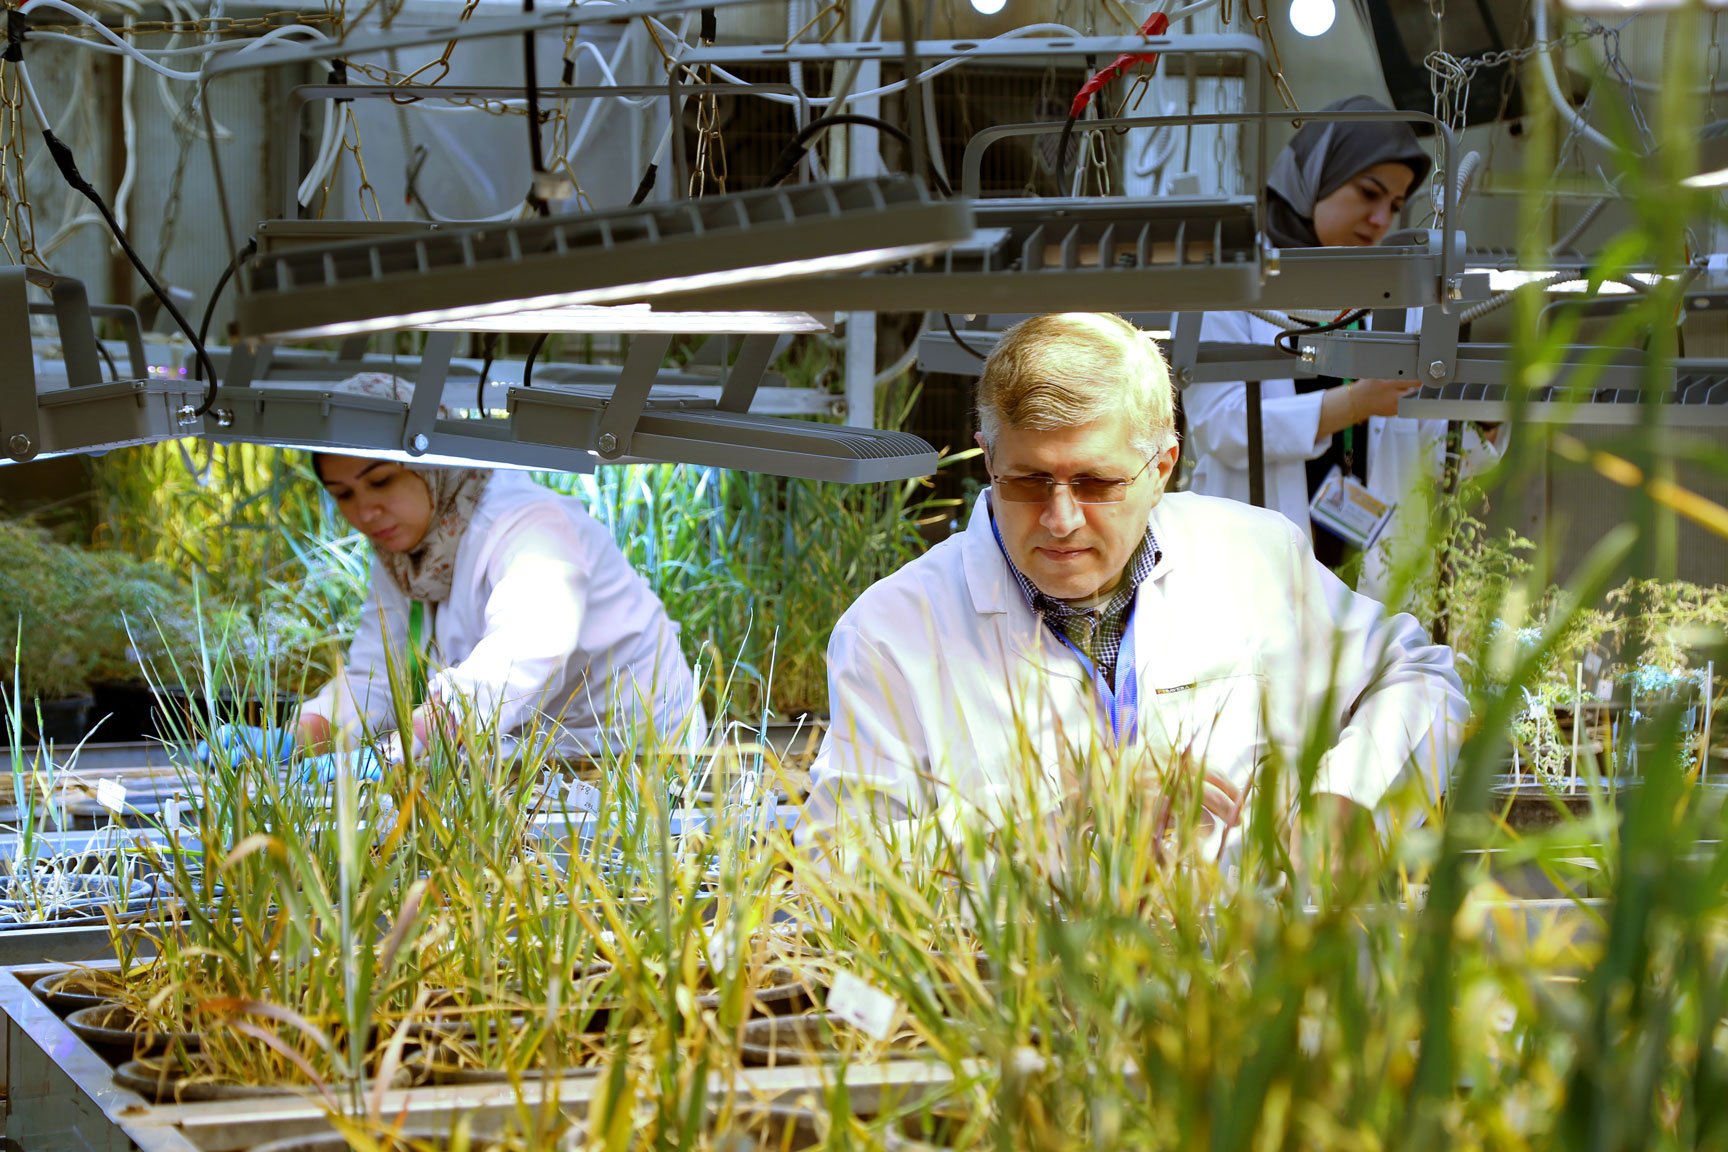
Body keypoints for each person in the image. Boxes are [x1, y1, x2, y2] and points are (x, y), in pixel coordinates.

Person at [799, 313, 1466, 853]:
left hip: (1239, 990)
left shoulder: (1253, 556)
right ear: (989, 455)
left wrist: (1345, 796)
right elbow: (837, 869)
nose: (1061, 520)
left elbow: (1422, 677)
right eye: (1029, 481)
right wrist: (1055, 819)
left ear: (1162, 466)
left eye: (1096, 483)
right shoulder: (893, 628)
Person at [209, 374, 705, 776]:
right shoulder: (407, 549)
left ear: (431, 465)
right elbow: (376, 677)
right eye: (343, 494)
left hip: (638, 755)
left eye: (380, 481)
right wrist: (297, 738)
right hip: (539, 756)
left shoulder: (527, 523)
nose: (365, 511)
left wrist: (402, 749)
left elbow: (525, 652)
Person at [1185, 95, 1499, 574]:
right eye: (1368, 193)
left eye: (1394, 205)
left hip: (1369, 574)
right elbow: (1220, 426)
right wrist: (1353, 405)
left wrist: (1482, 419)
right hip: (1251, 563)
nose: (1381, 220)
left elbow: (1428, 444)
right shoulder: (1231, 278)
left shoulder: (1400, 292)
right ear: (1316, 180)